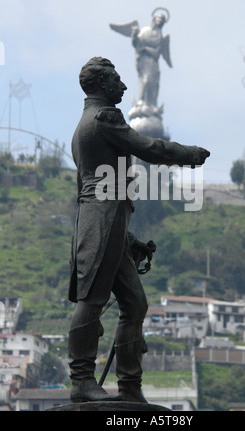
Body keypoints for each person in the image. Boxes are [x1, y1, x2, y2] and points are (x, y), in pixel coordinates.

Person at [68, 56, 210, 403]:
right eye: (117, 80)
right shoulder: (104, 117)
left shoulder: (84, 127)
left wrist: (126, 238)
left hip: (106, 221)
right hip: (102, 221)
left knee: (135, 303)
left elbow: (96, 192)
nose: (125, 86)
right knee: (92, 301)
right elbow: (147, 147)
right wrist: (188, 154)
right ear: (102, 85)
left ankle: (130, 387)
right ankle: (82, 381)